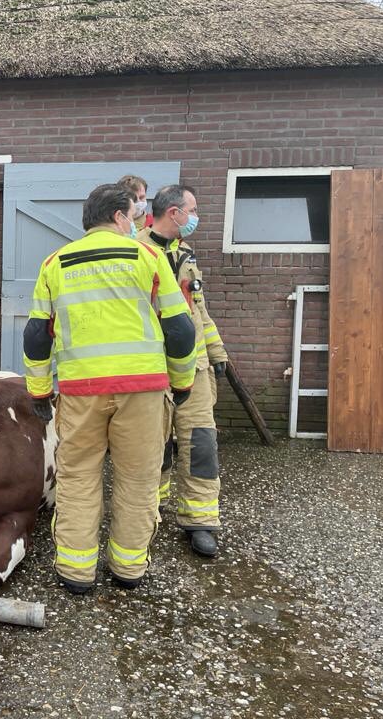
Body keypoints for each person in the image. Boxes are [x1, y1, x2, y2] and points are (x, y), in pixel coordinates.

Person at [23, 184, 196, 594]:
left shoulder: (55, 263)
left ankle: (76, 571)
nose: (136, 221)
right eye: (133, 215)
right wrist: (183, 381)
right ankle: (128, 568)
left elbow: (35, 336)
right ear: (119, 217)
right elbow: (180, 328)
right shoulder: (149, 257)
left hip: (81, 392)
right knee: (138, 480)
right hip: (143, 390)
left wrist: (37, 392)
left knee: (79, 477)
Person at [137, 184, 228, 557]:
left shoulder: (187, 254)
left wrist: (217, 350)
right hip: (153, 365)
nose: (196, 217)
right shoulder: (134, 250)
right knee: (153, 445)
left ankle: (200, 520)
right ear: (173, 212)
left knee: (201, 443)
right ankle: (149, 512)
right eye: (192, 210)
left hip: (195, 366)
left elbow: (198, 311)